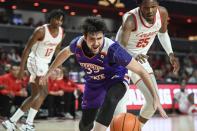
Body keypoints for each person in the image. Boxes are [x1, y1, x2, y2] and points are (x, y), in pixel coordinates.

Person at [39, 16, 167, 131]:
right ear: (84, 36)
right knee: (85, 124)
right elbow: (64, 53)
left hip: (116, 79)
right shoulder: (77, 44)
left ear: (103, 36)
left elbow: (141, 70)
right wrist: (48, 72)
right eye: (92, 39)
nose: (96, 43)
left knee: (110, 99)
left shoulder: (113, 49)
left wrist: (155, 98)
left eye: (99, 38)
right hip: (94, 82)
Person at [115, 0, 180, 128]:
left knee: (153, 103)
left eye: (153, 7)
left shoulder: (162, 13)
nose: (150, 11)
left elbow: (162, 34)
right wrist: (132, 56)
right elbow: (119, 48)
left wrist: (171, 54)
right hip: (121, 62)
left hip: (141, 61)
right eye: (146, 8)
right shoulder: (130, 19)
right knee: (121, 108)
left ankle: (136, 128)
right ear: (139, 5)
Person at [2, 9, 65, 131]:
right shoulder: (41, 31)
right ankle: (27, 124)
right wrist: (21, 68)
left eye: (61, 20)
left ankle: (11, 121)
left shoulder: (61, 32)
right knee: (44, 92)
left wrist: (59, 67)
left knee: (35, 95)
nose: (58, 22)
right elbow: (26, 49)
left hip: (44, 63)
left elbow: (58, 50)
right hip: (35, 60)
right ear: (50, 18)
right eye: (56, 19)